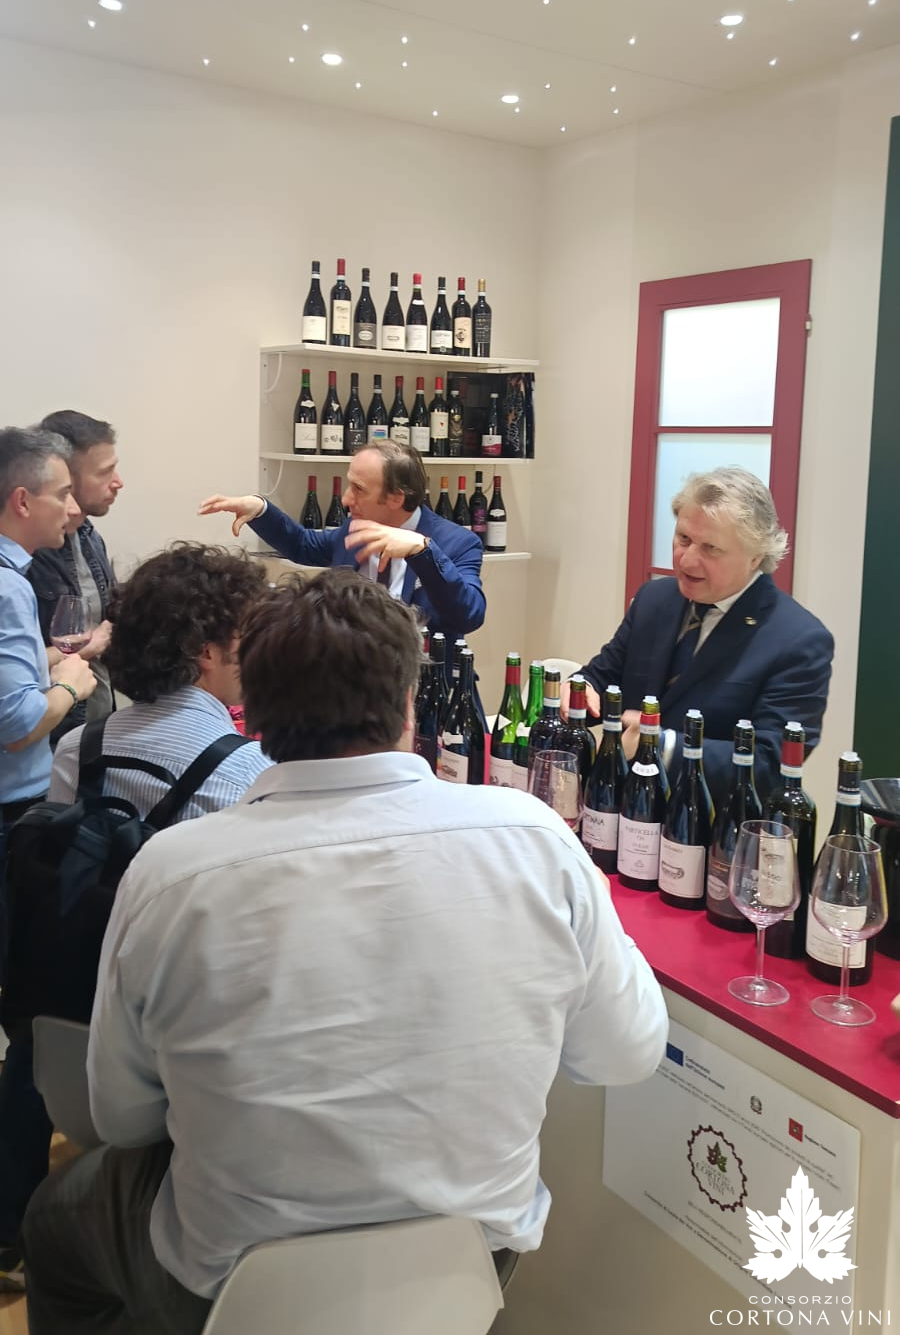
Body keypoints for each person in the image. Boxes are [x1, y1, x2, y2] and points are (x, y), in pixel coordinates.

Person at [22, 568, 668, 1333]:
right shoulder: (535, 840)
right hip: (464, 1272)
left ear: (253, 709)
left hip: (227, 1290)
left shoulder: (171, 874)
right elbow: (628, 1053)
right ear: (408, 701)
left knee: (55, 1220)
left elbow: (124, 1118)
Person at [0, 543, 273, 1293]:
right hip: (170, 1040)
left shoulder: (81, 745)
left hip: (67, 1015)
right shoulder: (243, 770)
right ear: (207, 652)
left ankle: (8, 1227)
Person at [566, 467, 834, 804]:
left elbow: (771, 766)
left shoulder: (799, 640)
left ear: (755, 556)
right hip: (623, 806)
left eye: (710, 548)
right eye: (683, 539)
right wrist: (579, 689)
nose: (687, 560)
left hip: (710, 823)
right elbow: (604, 677)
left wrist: (663, 746)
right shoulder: (654, 600)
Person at [198, 439, 485, 642]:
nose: (346, 499)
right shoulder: (355, 528)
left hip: (423, 692)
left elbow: (469, 615)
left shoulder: (457, 543)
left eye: (359, 489)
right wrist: (261, 509)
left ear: (396, 498)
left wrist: (422, 551)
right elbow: (304, 545)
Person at [0, 427, 96, 924]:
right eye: (61, 495)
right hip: (11, 809)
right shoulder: (9, 589)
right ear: (22, 501)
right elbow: (17, 727)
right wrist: (70, 685)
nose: (72, 509)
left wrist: (49, 659)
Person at [28, 410, 124, 742]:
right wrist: (85, 647)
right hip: (48, 737)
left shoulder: (89, 536)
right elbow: (14, 667)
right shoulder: (26, 554)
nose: (118, 482)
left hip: (96, 728)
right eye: (104, 472)